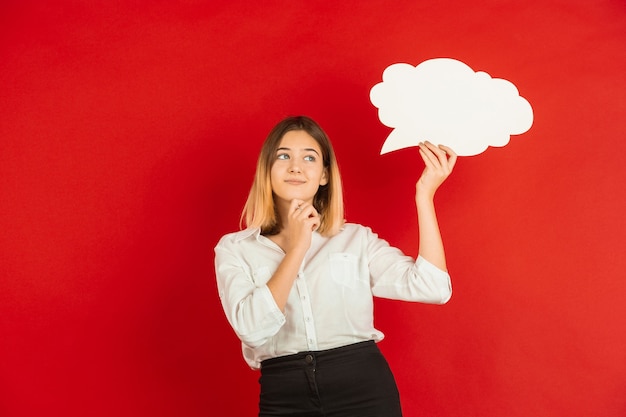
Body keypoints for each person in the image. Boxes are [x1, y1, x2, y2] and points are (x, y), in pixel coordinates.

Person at [214, 115, 456, 417]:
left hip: (362, 387)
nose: (296, 166)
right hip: (283, 393)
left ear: (324, 175)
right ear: (267, 170)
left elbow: (433, 288)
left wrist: (425, 195)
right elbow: (251, 329)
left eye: (309, 157)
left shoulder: (356, 239)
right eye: (283, 155)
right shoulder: (236, 248)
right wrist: (299, 247)